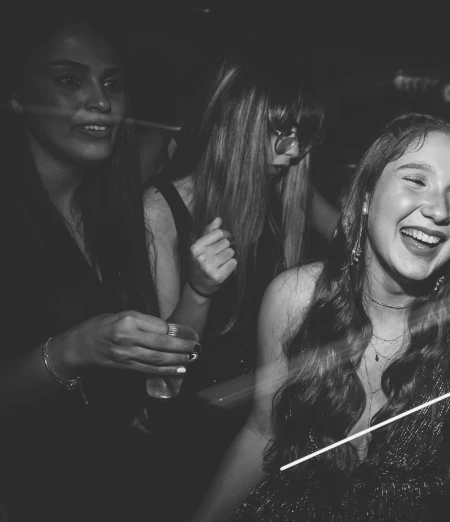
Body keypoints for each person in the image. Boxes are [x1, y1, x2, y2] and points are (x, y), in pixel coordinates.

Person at [190, 113, 450, 521]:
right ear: (367, 196)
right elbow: (262, 432)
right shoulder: (294, 299)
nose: (439, 209)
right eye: (416, 180)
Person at [0, 12, 198, 522]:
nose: (101, 101)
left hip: (116, 483)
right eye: (69, 80)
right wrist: (74, 348)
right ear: (17, 97)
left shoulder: (116, 214)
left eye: (112, 84)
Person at [142, 48, 329, 517]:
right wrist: (199, 291)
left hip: (276, 425)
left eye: (300, 137)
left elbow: (357, 237)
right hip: (201, 437)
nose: (291, 152)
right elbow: (164, 376)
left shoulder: (284, 190)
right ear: (234, 121)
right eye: (278, 134)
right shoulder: (160, 210)